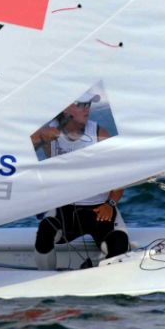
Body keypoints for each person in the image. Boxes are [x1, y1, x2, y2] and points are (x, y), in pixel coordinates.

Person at [30, 91, 130, 270]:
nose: (87, 109)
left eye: (89, 105)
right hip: (65, 209)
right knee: (45, 233)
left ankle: (100, 273)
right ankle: (45, 280)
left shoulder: (99, 135)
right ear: (67, 108)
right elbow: (16, 151)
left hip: (99, 209)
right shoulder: (47, 133)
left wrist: (111, 203)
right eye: (82, 105)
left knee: (119, 244)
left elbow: (121, 173)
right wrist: (38, 137)